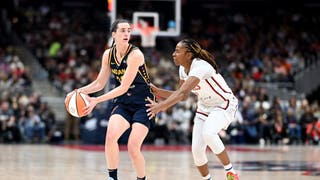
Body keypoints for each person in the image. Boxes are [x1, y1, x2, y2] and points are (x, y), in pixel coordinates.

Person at [65, 19, 155, 180]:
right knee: (110, 136)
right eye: (122, 30)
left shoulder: (135, 55)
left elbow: (123, 87)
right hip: (124, 103)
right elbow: (100, 83)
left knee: (133, 147)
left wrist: (95, 101)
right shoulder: (108, 54)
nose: (127, 33)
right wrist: (77, 92)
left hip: (144, 103)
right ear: (114, 34)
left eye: (128, 30)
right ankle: (112, 178)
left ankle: (141, 178)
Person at [146, 38, 239, 180]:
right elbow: (182, 96)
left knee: (209, 133)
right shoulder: (183, 69)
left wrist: (160, 107)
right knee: (196, 150)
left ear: (189, 54)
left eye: (177, 51)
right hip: (204, 107)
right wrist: (157, 91)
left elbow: (182, 93)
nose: (173, 54)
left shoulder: (201, 66)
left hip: (224, 103)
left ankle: (230, 172)